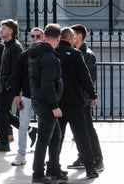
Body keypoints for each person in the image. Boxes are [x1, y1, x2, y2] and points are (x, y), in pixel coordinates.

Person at [55, 27, 99, 179]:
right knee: (82, 136)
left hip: (57, 103)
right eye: (73, 38)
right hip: (75, 102)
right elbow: (85, 76)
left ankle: (54, 167)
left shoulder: (53, 53)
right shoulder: (75, 54)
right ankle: (91, 168)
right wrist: (92, 95)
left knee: (56, 138)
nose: (74, 41)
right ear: (68, 38)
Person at [29, 23, 65, 184]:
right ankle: (38, 173)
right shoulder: (50, 57)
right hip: (46, 103)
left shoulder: (37, 54)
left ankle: (54, 169)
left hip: (39, 99)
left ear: (44, 37)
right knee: (44, 138)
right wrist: (54, 106)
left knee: (56, 135)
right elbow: (48, 84)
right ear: (58, 39)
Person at [69, 23, 104, 172]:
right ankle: (83, 157)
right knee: (78, 131)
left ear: (79, 36)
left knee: (88, 129)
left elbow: (89, 79)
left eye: (72, 34)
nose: (70, 37)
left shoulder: (86, 54)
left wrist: (86, 97)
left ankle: (98, 159)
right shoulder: (75, 52)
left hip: (82, 100)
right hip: (76, 98)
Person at [6, 27, 42, 166]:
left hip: (42, 97)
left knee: (45, 127)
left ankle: (42, 156)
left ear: (43, 37)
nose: (34, 38)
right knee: (22, 126)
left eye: (37, 36)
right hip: (26, 96)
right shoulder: (24, 55)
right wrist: (16, 94)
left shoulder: (48, 54)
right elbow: (17, 75)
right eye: (32, 36)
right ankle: (21, 154)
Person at [0, 19, 23, 152]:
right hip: (3, 83)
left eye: (4, 28)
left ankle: (4, 142)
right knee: (3, 113)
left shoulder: (15, 47)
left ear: (11, 31)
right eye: (1, 28)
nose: (1, 30)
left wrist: (8, 85)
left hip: (7, 85)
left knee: (1, 113)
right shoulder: (7, 45)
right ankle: (31, 130)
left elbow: (17, 69)